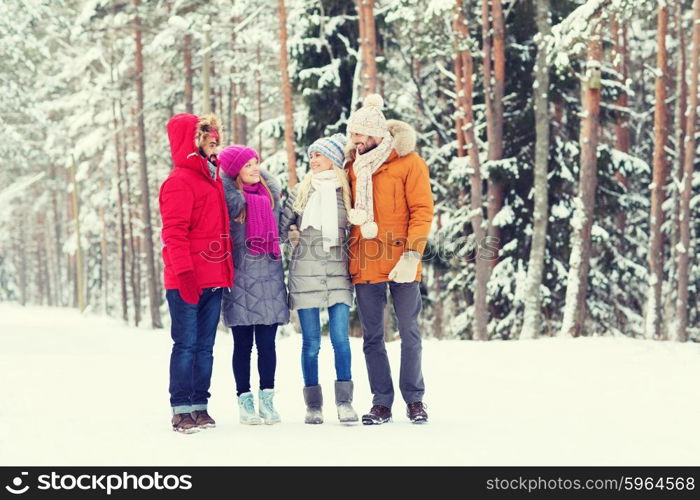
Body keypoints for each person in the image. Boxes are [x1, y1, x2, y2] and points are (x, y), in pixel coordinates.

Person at [344, 94, 434, 425]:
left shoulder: (410, 164)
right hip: (366, 260)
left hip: (402, 260)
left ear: (378, 135)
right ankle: (381, 402)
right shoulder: (352, 167)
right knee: (372, 336)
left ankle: (415, 400)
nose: (355, 141)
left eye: (361, 135)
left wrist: (413, 253)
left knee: (409, 331)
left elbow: (422, 210)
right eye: (353, 134)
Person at [159, 113, 233, 433]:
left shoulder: (212, 179)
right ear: (193, 145)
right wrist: (185, 275)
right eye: (209, 142)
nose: (216, 148)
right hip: (186, 280)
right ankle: (181, 408)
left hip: (213, 278)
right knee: (186, 344)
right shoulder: (178, 182)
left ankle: (200, 405)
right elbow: (174, 233)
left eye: (217, 142)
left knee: (205, 347)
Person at [279, 133, 358, 425]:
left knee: (341, 339)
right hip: (305, 275)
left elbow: (356, 230)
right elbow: (280, 229)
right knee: (311, 343)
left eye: (319, 155)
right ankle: (313, 406)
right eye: (311, 155)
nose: (312, 160)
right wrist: (290, 234)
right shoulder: (301, 191)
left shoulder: (348, 192)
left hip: (338, 273)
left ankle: (345, 402)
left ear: (333, 160)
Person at [218, 145, 289, 425]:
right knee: (243, 345)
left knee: (268, 345)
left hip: (269, 277)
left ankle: (267, 401)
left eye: (256, 162)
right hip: (240, 278)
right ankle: (244, 401)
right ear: (236, 171)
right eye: (248, 165)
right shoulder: (229, 202)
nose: (255, 168)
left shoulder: (270, 197)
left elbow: (281, 232)